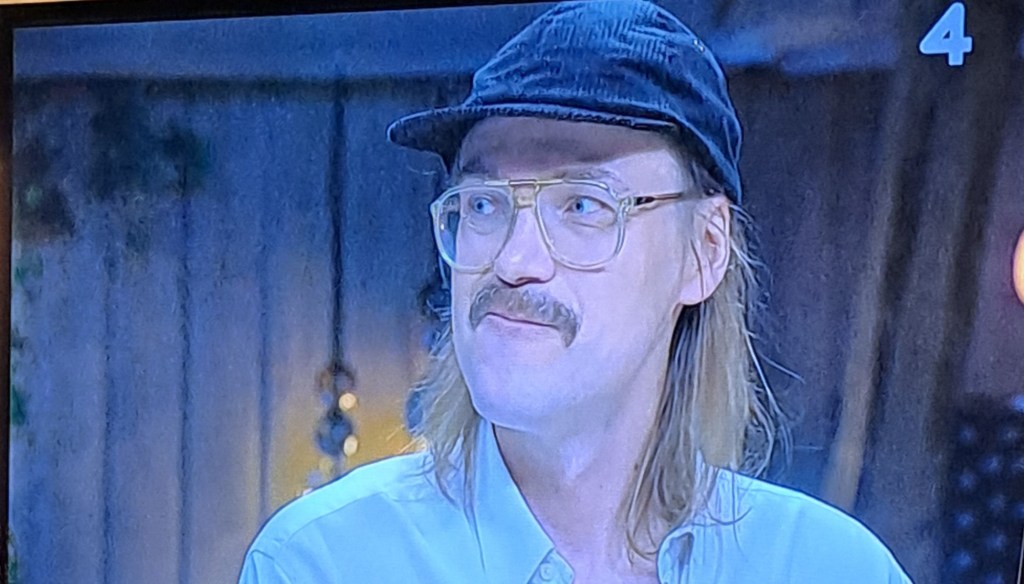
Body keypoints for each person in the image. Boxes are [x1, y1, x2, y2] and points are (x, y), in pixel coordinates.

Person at [239, 1, 913, 582]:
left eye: (583, 204)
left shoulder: (834, 570)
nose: (512, 261)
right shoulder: (321, 564)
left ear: (704, 252)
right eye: (483, 203)